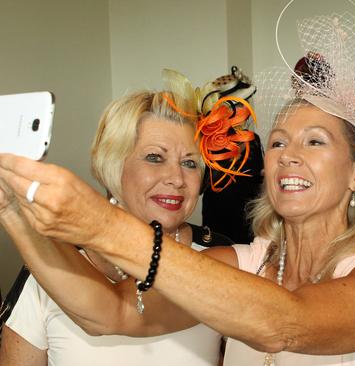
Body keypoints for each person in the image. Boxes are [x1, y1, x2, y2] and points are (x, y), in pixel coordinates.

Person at [0, 13, 355, 365]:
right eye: (277, 141)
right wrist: (13, 210)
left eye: (314, 141)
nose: (288, 155)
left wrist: (101, 224)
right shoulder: (238, 263)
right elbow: (111, 312)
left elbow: (285, 324)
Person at [0, 90, 222, 365]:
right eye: (155, 157)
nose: (177, 179)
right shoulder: (50, 267)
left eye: (189, 163)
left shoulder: (224, 260)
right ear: (114, 164)